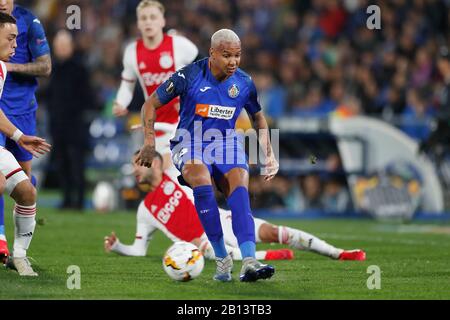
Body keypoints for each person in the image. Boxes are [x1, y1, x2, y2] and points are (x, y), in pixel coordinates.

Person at [137, 29, 280, 282]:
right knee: (202, 181)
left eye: (237, 55)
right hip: (190, 142)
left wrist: (269, 154)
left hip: (226, 143)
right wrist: (149, 142)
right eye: (227, 55)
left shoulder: (244, 83)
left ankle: (249, 260)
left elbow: (258, 117)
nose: (233, 61)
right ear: (212, 53)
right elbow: (150, 104)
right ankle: (223, 258)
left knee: (239, 189)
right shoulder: (189, 75)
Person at [104, 151, 366, 262]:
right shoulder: (145, 210)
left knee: (275, 232)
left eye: (139, 163)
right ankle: (265, 257)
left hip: (224, 219)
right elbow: (139, 250)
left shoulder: (176, 173)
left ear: (156, 163)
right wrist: (118, 247)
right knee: (216, 252)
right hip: (201, 242)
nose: (135, 170)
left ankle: (338, 253)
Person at [113, 0, 199, 172]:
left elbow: (206, 71)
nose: (148, 22)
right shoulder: (132, 52)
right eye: (143, 18)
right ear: (138, 23)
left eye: (153, 17)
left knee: (174, 174)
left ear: (162, 21)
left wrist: (191, 96)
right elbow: (127, 84)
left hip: (183, 123)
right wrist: (121, 102)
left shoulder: (180, 45)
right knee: (156, 178)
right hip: (154, 126)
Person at [0, 11, 51, 275]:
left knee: (27, 191)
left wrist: (20, 137)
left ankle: (19, 256)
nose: (16, 46)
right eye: (10, 39)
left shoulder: (0, 70)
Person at [45, 30, 94, 210]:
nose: (61, 48)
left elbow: (89, 98)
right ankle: (66, 199)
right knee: (62, 164)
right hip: (57, 126)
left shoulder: (80, 68)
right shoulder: (53, 68)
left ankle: (79, 201)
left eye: (64, 45)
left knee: (76, 165)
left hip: (75, 126)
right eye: (58, 45)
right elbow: (49, 95)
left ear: (71, 47)